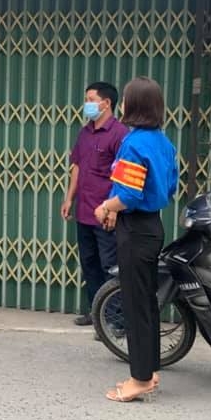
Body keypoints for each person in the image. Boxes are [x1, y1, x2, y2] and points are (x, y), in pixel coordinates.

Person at [94, 76, 178, 403]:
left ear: (134, 105)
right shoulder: (163, 142)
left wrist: (106, 207)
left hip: (135, 230)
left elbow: (129, 194)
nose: (124, 104)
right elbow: (169, 187)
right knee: (147, 304)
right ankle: (149, 371)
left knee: (135, 304)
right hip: (152, 226)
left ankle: (140, 379)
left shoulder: (134, 143)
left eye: (127, 99)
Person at [61, 82, 128, 326]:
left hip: (105, 213)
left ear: (106, 103)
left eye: (91, 99)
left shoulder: (120, 134)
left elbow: (122, 175)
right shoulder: (85, 132)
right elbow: (77, 167)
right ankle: (95, 312)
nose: (86, 104)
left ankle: (115, 319)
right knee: (89, 263)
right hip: (84, 211)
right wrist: (69, 198)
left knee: (110, 266)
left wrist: (113, 210)